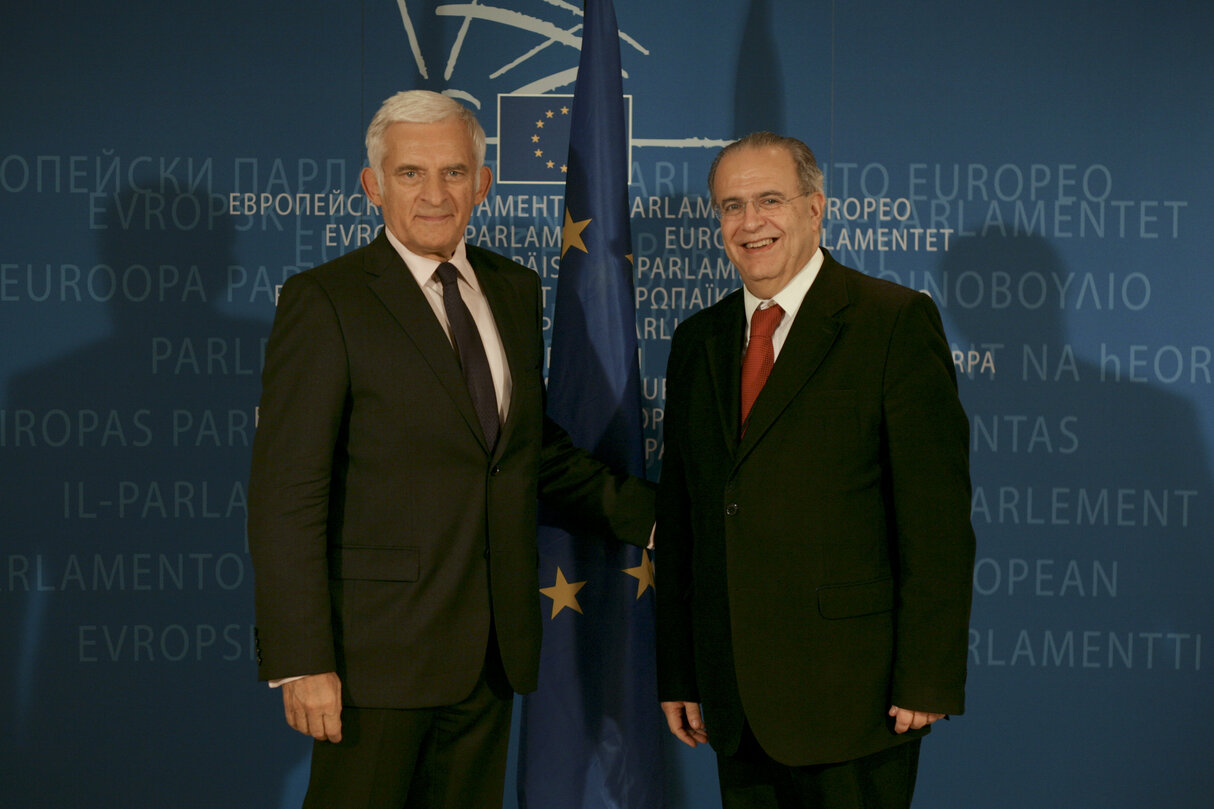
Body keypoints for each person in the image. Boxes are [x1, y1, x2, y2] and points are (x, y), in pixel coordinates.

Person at [248, 89, 654, 809]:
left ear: (483, 182)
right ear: (373, 184)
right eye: (410, 173)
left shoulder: (513, 288)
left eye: (454, 172)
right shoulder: (326, 300)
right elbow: (287, 493)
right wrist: (302, 658)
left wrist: (649, 515)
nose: (435, 194)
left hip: (491, 654)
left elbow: (525, 452)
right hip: (375, 660)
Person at [655, 132, 976, 808]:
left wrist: (926, 675)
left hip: (854, 698)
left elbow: (936, 520)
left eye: (769, 200)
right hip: (735, 697)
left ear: (815, 208)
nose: (750, 223)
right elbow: (684, 517)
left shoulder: (892, 321)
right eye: (731, 206)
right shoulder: (699, 340)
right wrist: (681, 667)